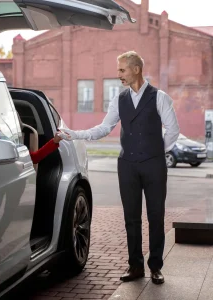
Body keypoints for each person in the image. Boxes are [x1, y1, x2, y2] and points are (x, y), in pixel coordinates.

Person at [58, 51, 180, 284]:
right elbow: (104, 128)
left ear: (136, 69)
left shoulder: (160, 97)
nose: (119, 75)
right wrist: (73, 135)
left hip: (154, 165)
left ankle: (155, 266)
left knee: (156, 216)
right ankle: (135, 266)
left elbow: (173, 129)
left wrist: (155, 151)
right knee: (131, 218)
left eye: (122, 70)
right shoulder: (119, 100)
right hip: (127, 166)